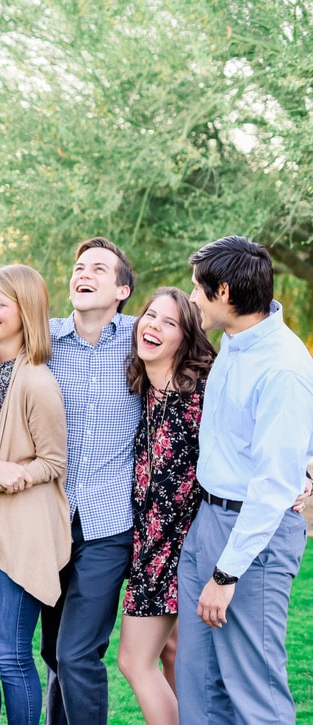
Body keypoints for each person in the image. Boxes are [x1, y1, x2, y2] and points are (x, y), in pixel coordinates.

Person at [176, 236, 313, 723]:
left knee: (255, 693)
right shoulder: (234, 341)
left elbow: (273, 486)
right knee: (199, 687)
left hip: (254, 536)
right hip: (207, 522)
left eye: (198, 288)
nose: (192, 298)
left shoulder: (282, 366)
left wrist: (226, 574)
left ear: (225, 292)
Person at [0, 264, 71, 725]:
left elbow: (54, 462)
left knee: (10, 653)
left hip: (20, 532)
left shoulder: (38, 381)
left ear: (26, 311)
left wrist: (7, 475)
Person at [42, 237, 140, 725]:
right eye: (80, 267)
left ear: (121, 289)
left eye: (100, 269)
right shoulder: (43, 340)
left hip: (109, 523)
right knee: (55, 655)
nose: (85, 274)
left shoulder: (145, 339)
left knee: (78, 654)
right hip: (51, 519)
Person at [115, 287, 213, 725]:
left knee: (135, 661)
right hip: (150, 547)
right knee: (171, 653)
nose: (152, 325)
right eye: (150, 315)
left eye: (169, 322)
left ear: (185, 337)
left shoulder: (199, 399)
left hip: (178, 550)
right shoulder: (149, 393)